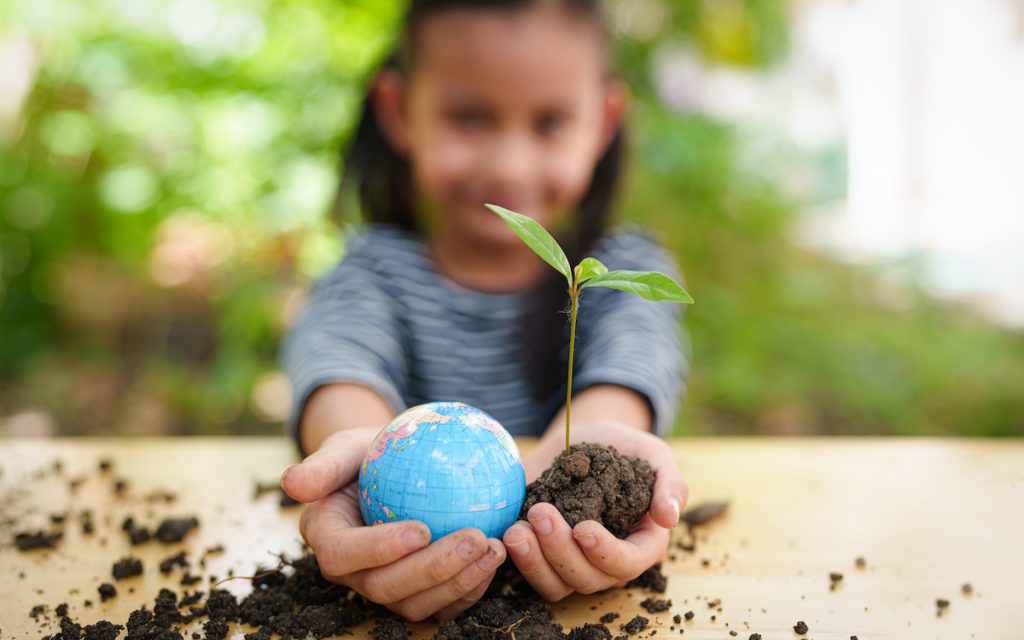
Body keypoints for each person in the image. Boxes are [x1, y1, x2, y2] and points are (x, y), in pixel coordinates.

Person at [279, 0, 689, 623]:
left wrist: (599, 467)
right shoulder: (371, 273)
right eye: (470, 118)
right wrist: (361, 451)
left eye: (550, 121)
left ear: (603, 123)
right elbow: (340, 367)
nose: (509, 165)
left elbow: (632, 367)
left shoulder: (615, 268)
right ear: (398, 111)